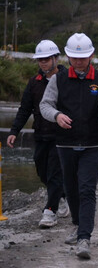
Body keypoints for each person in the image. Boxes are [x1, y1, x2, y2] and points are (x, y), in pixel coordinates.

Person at [40, 33, 98, 259]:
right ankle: (77, 224)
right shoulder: (59, 79)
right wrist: (56, 116)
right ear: (67, 56)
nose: (78, 62)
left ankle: (84, 238)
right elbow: (45, 105)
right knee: (71, 188)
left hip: (93, 143)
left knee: (87, 189)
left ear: (92, 55)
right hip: (65, 144)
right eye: (74, 58)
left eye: (83, 57)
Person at [7, 40, 69, 228]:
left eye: (46, 59)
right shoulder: (34, 83)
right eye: (40, 60)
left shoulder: (67, 79)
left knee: (54, 173)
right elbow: (25, 109)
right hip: (41, 135)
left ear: (55, 59)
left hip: (61, 136)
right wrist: (14, 131)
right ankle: (64, 196)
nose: (42, 63)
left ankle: (50, 211)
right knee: (42, 172)